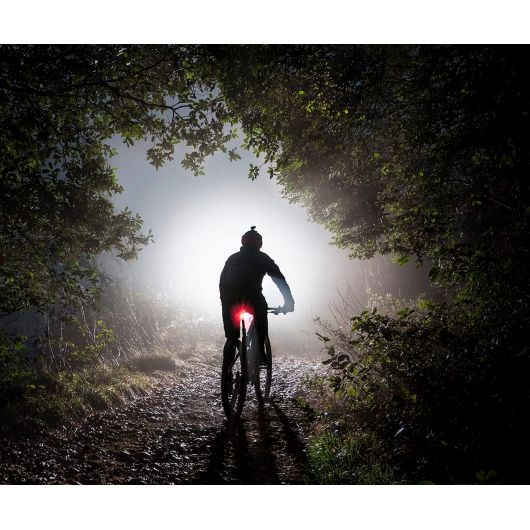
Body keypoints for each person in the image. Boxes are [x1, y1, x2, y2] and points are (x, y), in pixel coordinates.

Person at [219, 226, 294, 364]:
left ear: (242, 241)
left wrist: (224, 300)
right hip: (253, 298)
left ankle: (228, 364)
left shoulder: (232, 258)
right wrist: (289, 302)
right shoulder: (263, 258)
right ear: (260, 244)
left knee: (231, 336)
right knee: (261, 316)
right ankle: (259, 352)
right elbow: (280, 280)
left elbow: (222, 281)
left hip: (230, 299)